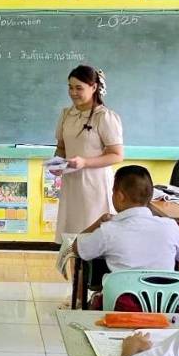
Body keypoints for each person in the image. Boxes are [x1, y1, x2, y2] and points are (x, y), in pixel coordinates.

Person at [73, 165, 179, 310]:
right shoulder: (170, 226)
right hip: (165, 307)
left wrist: (98, 223)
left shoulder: (108, 230)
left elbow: (78, 248)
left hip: (123, 308)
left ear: (119, 196)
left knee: (96, 299)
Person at [53, 65, 124, 241]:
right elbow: (61, 146)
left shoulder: (104, 116)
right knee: (72, 235)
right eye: (70, 87)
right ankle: (72, 259)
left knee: (94, 236)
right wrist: (56, 163)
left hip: (95, 185)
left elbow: (116, 155)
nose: (73, 93)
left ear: (93, 87)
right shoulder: (66, 114)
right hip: (71, 183)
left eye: (79, 88)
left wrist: (85, 162)